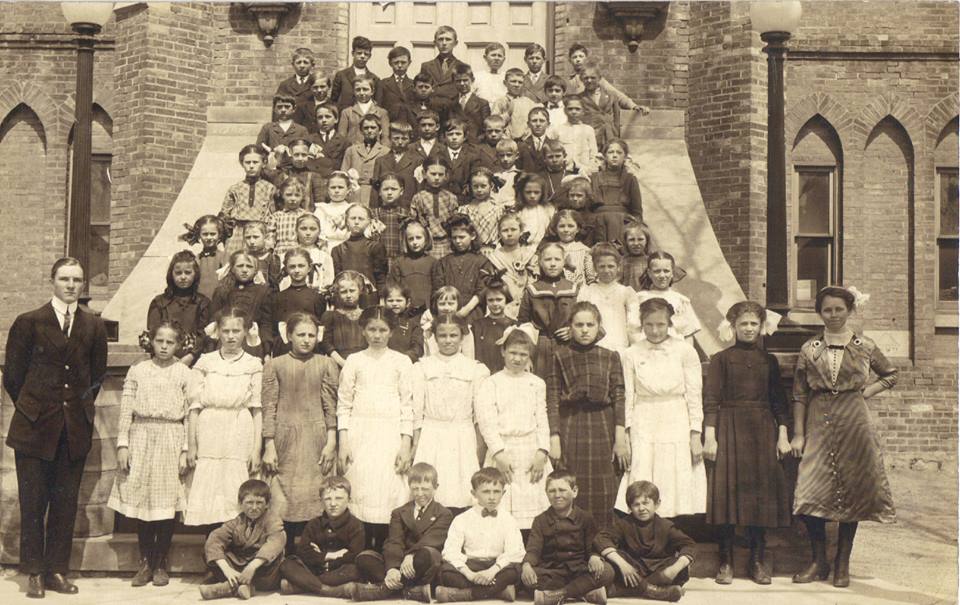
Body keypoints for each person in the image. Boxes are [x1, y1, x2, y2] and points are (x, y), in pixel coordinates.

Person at [3, 258, 108, 598]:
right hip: (34, 428)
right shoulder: (28, 322)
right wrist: (34, 408)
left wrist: (76, 409)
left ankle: (56, 571)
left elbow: (96, 377)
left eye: (77, 280)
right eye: (64, 279)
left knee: (65, 504)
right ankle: (33, 571)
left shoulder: (93, 326)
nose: (71, 285)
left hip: (72, 428)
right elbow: (13, 376)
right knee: (33, 502)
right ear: (52, 281)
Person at [790, 286, 898, 588]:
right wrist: (798, 434)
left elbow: (890, 374)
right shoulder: (809, 348)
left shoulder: (865, 345)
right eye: (827, 310)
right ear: (819, 313)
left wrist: (866, 392)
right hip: (818, 417)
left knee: (853, 487)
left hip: (854, 420)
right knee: (811, 487)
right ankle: (818, 560)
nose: (834, 315)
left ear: (849, 311)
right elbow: (799, 393)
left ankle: (842, 563)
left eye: (839, 309)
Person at [703, 301, 792, 585]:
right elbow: (711, 401)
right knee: (727, 493)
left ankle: (757, 560)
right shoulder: (720, 359)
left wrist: (782, 434)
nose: (749, 328)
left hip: (763, 430)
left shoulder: (770, 361)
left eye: (754, 323)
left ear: (762, 326)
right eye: (743, 323)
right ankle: (726, 560)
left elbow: (780, 402)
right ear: (733, 327)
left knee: (760, 495)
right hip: (729, 428)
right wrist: (710, 435)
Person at [109, 321, 191, 587]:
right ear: (151, 342)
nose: (164, 346)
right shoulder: (138, 370)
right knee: (143, 501)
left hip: (170, 437)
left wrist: (185, 450)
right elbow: (126, 409)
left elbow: (190, 414)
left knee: (165, 502)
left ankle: (160, 562)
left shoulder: (184, 372)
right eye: (160, 341)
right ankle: (145, 562)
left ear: (178, 345)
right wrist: (123, 444)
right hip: (141, 435)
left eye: (170, 342)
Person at [616, 298, 706, 519]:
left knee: (673, 474)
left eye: (660, 325)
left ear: (670, 324)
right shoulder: (631, 353)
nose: (655, 331)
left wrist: (695, 434)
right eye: (649, 325)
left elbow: (694, 395)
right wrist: (626, 432)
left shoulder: (685, 351)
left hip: (676, 417)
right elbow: (628, 395)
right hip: (644, 418)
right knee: (643, 468)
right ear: (641, 324)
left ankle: (671, 533)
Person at [261, 313, 339, 552]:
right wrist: (269, 444)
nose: (306, 340)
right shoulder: (275, 365)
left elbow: (330, 406)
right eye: (301, 335)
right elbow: (269, 406)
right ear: (289, 335)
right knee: (283, 496)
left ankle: (310, 555)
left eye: (311, 335)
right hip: (284, 438)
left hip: (316, 438)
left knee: (315, 494)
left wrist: (331, 441)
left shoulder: (326, 364)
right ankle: (284, 556)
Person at [546, 301, 627, 527]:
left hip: (603, 423)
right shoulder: (559, 355)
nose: (584, 330)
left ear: (598, 326)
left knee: (604, 484)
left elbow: (619, 397)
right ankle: (573, 540)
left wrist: (620, 438)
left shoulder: (610, 356)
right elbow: (552, 398)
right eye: (578, 324)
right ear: (570, 327)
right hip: (571, 423)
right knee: (573, 481)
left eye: (590, 324)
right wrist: (554, 437)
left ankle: (604, 542)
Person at [338, 307, 414, 548]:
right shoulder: (354, 361)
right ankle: (360, 550)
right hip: (360, 433)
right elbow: (344, 403)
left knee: (387, 490)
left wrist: (405, 443)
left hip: (390, 434)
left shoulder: (401, 361)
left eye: (382, 330)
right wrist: (344, 441)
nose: (377, 335)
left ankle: (383, 550)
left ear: (391, 332)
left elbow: (407, 405)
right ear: (363, 330)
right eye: (372, 329)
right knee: (361, 486)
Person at [184, 307, 263, 528]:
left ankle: (235, 547)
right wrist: (192, 445)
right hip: (209, 428)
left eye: (236, 331)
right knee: (209, 486)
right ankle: (211, 549)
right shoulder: (205, 362)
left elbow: (257, 410)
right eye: (225, 330)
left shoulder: (253, 364)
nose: (230, 336)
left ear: (246, 332)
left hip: (239, 428)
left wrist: (256, 449)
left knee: (234, 483)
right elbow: (194, 407)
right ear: (217, 332)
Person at [410, 313, 491, 512]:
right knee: (430, 490)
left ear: (462, 337)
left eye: (453, 335)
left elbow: (480, 414)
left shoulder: (475, 369)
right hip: (431, 434)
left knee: (461, 492)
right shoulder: (422, 367)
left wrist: (479, 447)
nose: (448, 340)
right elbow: (417, 411)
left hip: (462, 436)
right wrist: (416, 443)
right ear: (435, 338)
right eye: (442, 336)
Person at [476, 327, 551, 530]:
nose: (517, 359)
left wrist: (542, 452)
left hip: (531, 451)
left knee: (534, 508)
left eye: (523, 355)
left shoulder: (536, 383)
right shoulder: (491, 383)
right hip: (503, 451)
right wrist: (498, 453)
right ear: (503, 352)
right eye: (513, 353)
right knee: (500, 510)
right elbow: (486, 422)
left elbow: (542, 418)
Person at [352, 463, 453, 603]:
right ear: (409, 487)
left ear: (436, 487)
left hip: (421, 562)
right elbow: (394, 541)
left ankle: (382, 590)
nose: (419, 493)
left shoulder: (444, 513)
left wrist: (411, 555)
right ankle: (411, 591)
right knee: (364, 558)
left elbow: (432, 539)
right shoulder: (399, 512)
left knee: (426, 554)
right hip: (400, 561)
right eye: (415, 489)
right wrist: (392, 568)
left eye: (425, 489)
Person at [521, 470, 613, 605]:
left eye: (562, 490)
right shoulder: (540, 520)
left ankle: (557, 595)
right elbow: (534, 549)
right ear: (546, 493)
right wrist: (527, 565)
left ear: (574, 491)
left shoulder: (585, 518)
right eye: (552, 491)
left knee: (607, 571)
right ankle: (585, 593)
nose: (557, 495)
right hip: (553, 571)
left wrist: (594, 556)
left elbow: (592, 546)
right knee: (521, 574)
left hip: (579, 570)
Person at [595, 480, 694, 602]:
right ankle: (657, 592)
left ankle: (620, 590)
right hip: (632, 569)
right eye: (636, 505)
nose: (641, 508)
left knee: (682, 566)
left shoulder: (666, 526)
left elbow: (689, 544)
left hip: (659, 571)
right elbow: (602, 538)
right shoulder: (624, 524)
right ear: (630, 507)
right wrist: (623, 564)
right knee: (613, 559)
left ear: (657, 504)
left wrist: (675, 568)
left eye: (646, 503)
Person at [437, 468, 525, 603]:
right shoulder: (462, 519)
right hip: (472, 566)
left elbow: (514, 552)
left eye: (496, 492)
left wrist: (492, 571)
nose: (492, 497)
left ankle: (464, 595)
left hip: (498, 566)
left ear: (503, 493)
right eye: (486, 492)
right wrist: (470, 575)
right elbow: (450, 551)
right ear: (474, 493)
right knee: (446, 572)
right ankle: (499, 591)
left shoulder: (508, 520)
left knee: (514, 571)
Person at [278, 476, 366, 598]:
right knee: (286, 564)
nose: (333, 504)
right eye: (328, 499)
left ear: (349, 499)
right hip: (314, 569)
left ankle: (301, 585)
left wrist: (325, 561)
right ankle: (328, 590)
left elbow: (354, 554)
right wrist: (329, 556)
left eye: (339, 498)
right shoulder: (314, 523)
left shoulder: (356, 525)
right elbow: (303, 551)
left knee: (355, 570)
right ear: (321, 501)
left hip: (339, 570)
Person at [199, 479, 285, 600]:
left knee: (277, 564)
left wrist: (252, 567)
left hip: (262, 570)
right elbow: (215, 539)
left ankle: (228, 588)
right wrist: (227, 570)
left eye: (259, 503)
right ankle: (244, 586)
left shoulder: (273, 520)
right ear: (240, 504)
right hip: (241, 568)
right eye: (249, 503)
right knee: (210, 553)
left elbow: (275, 543)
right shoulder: (237, 522)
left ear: (267, 504)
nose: (254, 507)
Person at [517, 242, 577, 378]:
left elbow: (582, 317)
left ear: (564, 261)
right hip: (540, 347)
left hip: (568, 346)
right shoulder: (532, 290)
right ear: (540, 262)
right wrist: (525, 356)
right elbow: (523, 324)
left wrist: (572, 331)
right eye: (548, 259)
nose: (553, 264)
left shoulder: (573, 288)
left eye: (557, 259)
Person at [147, 250, 210, 366]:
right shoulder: (160, 302)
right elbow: (153, 333)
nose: (183, 277)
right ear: (171, 274)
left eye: (187, 273)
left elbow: (204, 335)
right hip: (163, 359)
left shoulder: (202, 303)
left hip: (194, 361)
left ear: (195, 274)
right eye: (178, 273)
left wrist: (191, 356)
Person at [431, 213, 494, 323]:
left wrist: (465, 310)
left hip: (473, 312)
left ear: (473, 235)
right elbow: (438, 290)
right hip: (447, 311)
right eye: (454, 237)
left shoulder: (482, 261)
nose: (458, 241)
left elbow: (482, 291)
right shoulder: (443, 262)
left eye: (462, 237)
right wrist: (449, 309)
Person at [209, 251, 273, 358]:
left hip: (252, 343)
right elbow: (213, 322)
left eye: (249, 266)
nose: (244, 270)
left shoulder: (263, 292)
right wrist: (210, 348)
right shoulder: (222, 291)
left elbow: (266, 323)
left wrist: (267, 352)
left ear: (255, 270)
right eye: (240, 266)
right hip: (225, 342)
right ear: (232, 269)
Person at [577, 243, 638, 351]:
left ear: (618, 267)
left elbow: (633, 323)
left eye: (611, 266)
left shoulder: (625, 292)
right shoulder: (587, 291)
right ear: (595, 268)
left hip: (620, 345)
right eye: (602, 266)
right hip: (594, 346)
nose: (606, 270)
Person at [269, 249, 327, 356]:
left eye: (301, 266)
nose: (297, 270)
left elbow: (320, 327)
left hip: (310, 349)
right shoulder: (278, 297)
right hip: (284, 349)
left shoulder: (317, 297)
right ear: (286, 269)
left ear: (309, 268)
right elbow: (273, 329)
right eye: (292, 266)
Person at [221, 145, 277, 255]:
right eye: (248, 162)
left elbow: (273, 216)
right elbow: (224, 215)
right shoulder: (235, 188)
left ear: (264, 163)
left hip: (259, 233)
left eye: (255, 162)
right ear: (242, 163)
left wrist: (270, 239)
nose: (251, 166)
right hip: (238, 234)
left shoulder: (270, 188)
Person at [637, 251, 701, 344]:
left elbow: (688, 334)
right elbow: (634, 331)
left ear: (672, 273)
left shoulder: (681, 301)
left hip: (675, 352)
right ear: (649, 273)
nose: (662, 275)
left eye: (666, 271)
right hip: (647, 352)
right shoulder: (639, 298)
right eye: (657, 271)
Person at [486, 212, 538, 321]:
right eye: (505, 230)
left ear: (521, 231)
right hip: (504, 302)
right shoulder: (494, 257)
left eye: (513, 229)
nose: (509, 234)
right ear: (499, 233)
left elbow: (535, 278)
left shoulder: (528, 253)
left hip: (528, 300)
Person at [332, 204, 388, 302]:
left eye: (361, 219)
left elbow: (381, 277)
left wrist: (382, 299)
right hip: (346, 297)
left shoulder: (375, 247)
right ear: (347, 221)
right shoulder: (338, 250)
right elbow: (337, 279)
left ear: (368, 222)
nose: (356, 222)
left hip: (369, 297)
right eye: (353, 218)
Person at [590, 139, 642, 244]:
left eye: (619, 152)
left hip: (622, 223)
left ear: (625, 157)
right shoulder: (594, 178)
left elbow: (637, 211)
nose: (614, 155)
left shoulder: (630, 179)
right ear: (604, 156)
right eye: (610, 152)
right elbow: (588, 207)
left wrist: (633, 229)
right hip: (598, 223)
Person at [410, 156, 459, 259]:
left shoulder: (451, 197)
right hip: (426, 245)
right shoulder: (418, 198)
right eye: (433, 174)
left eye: (440, 174)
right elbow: (414, 222)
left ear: (446, 176)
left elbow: (455, 224)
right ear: (424, 174)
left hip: (448, 245)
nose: (437, 178)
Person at [319, 271, 370, 366]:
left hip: (365, 364)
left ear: (360, 290)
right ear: (337, 293)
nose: (348, 295)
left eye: (352, 290)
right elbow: (326, 344)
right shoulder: (330, 316)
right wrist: (343, 363)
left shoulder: (367, 315)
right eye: (343, 292)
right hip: (338, 363)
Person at [389, 219, 437, 317]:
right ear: (406, 241)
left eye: (418, 238)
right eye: (411, 239)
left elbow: (436, 289)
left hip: (427, 312)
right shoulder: (399, 262)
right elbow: (393, 288)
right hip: (405, 311)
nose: (415, 242)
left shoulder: (433, 262)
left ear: (426, 239)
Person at [340, 113, 390, 206]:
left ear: (380, 130)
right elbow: (344, 175)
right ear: (361, 131)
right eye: (366, 128)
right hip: (355, 192)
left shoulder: (386, 151)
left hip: (375, 193)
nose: (369, 131)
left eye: (373, 127)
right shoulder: (351, 150)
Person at [369, 123, 421, 210]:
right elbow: (375, 191)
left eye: (404, 138)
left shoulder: (417, 161)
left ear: (410, 140)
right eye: (396, 138)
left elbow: (419, 189)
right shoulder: (381, 161)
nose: (400, 142)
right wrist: (372, 210)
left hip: (408, 208)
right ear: (389, 138)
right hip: (384, 209)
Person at [181, 215, 228, 301]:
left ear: (219, 235)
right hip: (199, 302)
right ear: (199, 235)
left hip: (218, 302)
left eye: (213, 234)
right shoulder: (196, 259)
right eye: (205, 234)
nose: (209, 237)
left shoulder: (224, 257)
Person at [471, 281, 516, 373]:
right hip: (481, 373)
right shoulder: (477, 325)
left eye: (499, 299)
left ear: (506, 299)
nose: (495, 304)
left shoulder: (513, 325)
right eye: (490, 300)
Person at [457, 166, 504, 251]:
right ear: (470, 187)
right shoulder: (463, 210)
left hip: (493, 252)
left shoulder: (498, 210)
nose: (479, 190)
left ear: (491, 186)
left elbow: (502, 235)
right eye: (475, 186)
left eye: (483, 186)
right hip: (471, 253)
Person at [257, 95, 311, 168]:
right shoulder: (267, 128)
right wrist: (272, 151)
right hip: (273, 167)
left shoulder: (301, 130)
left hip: (295, 168)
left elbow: (307, 151)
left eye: (287, 107)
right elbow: (259, 148)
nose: (283, 110)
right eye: (279, 107)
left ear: (294, 109)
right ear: (274, 109)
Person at [546, 209, 595, 288]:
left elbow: (591, 278)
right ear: (555, 229)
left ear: (578, 229)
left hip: (579, 293)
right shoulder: (549, 249)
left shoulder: (585, 251)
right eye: (562, 226)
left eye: (570, 226)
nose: (566, 230)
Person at [286, 214, 335, 293]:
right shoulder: (289, 255)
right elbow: (284, 282)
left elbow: (329, 282)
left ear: (319, 231)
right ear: (296, 230)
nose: (308, 233)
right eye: (303, 229)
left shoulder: (324, 257)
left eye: (312, 229)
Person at [370, 173, 411, 266]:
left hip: (401, 261)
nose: (389, 192)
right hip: (378, 263)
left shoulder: (407, 215)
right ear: (379, 192)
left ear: (401, 191)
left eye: (393, 189)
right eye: (385, 189)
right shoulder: (373, 215)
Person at [419, 25, 468, 102]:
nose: (444, 43)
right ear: (435, 43)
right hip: (432, 109)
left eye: (448, 39)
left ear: (455, 43)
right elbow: (421, 90)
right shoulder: (426, 66)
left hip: (452, 110)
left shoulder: (462, 67)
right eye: (440, 39)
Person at [337, 76, 391, 146]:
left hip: (375, 153)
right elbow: (341, 137)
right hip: (354, 152)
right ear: (353, 91)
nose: (362, 93)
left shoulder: (382, 112)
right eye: (358, 90)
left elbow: (385, 138)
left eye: (365, 89)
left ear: (372, 91)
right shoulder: (347, 112)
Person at [553, 96, 599, 175]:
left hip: (584, 171)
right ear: (565, 111)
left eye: (577, 109)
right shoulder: (558, 129)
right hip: (564, 170)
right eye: (570, 109)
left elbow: (593, 154)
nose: (574, 112)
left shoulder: (588, 129)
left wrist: (588, 168)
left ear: (583, 111)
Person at [492, 68, 542, 140]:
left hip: (526, 140)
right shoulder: (500, 102)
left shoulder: (528, 102)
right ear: (505, 83)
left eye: (520, 82)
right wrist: (508, 113)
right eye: (513, 81)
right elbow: (493, 124)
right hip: (507, 141)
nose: (517, 85)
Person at [267, 177, 311, 259]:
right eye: (289, 195)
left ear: (303, 196)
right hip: (280, 253)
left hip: (300, 252)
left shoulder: (306, 215)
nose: (293, 198)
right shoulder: (276, 216)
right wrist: (269, 252)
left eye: (297, 195)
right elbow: (270, 236)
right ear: (282, 194)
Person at [331, 36, 379, 110]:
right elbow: (333, 100)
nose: (362, 56)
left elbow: (376, 103)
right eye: (359, 53)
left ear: (370, 56)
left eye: (366, 54)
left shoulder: (374, 78)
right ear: (353, 53)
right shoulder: (341, 75)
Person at [275, 47, 316, 132]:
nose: (302, 65)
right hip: (291, 128)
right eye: (298, 62)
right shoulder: (285, 85)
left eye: (305, 62)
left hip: (312, 127)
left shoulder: (316, 84)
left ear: (312, 65)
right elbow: (277, 110)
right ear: (293, 64)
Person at [384, 281, 425, 362]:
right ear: (384, 302)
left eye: (399, 300)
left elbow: (417, 347)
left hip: (405, 363)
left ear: (408, 302)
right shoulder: (380, 322)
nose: (394, 304)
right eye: (390, 301)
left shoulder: (413, 324)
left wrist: (403, 358)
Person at [451, 64, 492, 144]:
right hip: (455, 143)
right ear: (453, 82)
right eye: (458, 81)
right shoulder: (450, 103)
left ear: (472, 80)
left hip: (475, 144)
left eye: (465, 80)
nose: (462, 83)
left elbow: (486, 128)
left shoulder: (482, 103)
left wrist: (477, 141)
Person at [440, 118, 481, 195]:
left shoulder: (472, 155)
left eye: (458, 134)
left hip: (465, 197)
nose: (454, 137)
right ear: (444, 137)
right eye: (450, 134)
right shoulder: (439, 155)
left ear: (465, 137)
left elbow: (475, 177)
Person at [515, 172, 556, 249]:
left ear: (542, 193)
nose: (532, 196)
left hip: (545, 247)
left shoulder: (549, 209)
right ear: (522, 192)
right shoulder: (519, 211)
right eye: (528, 192)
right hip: (523, 248)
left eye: (536, 192)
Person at [314, 171, 354, 249]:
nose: (336, 191)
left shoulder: (351, 208)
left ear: (348, 190)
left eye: (340, 187)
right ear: (328, 190)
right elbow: (319, 231)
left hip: (348, 246)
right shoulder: (322, 209)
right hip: (327, 246)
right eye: (333, 187)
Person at [307, 103, 349, 177]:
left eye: (328, 117)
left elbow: (343, 165)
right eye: (320, 117)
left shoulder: (344, 142)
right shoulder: (309, 140)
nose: (324, 120)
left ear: (336, 119)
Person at [375, 46, 414, 121]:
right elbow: (379, 107)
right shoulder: (383, 83)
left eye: (403, 62)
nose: (399, 65)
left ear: (409, 63)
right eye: (396, 62)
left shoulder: (413, 84)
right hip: (389, 123)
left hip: (409, 124)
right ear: (390, 63)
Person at [620, 221, 654, 292]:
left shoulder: (652, 261)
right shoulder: (622, 262)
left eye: (640, 239)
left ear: (647, 241)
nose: (636, 243)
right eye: (631, 240)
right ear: (625, 242)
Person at [516, 107, 552, 173]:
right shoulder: (521, 146)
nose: (538, 124)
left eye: (542, 121)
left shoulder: (553, 146)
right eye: (534, 121)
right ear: (528, 124)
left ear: (548, 124)